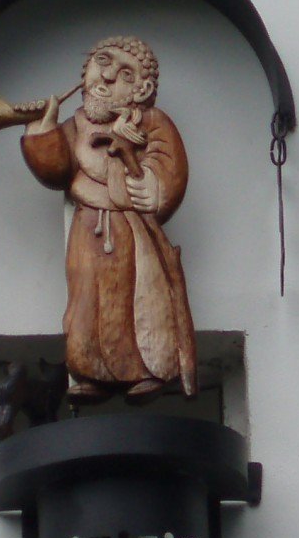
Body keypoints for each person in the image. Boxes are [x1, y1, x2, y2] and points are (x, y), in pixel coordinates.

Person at [19, 36, 198, 402]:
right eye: (102, 62)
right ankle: (91, 371)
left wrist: (147, 180)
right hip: (88, 227)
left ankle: (148, 370)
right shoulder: (76, 125)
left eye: (125, 73)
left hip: (133, 229)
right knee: (86, 300)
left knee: (139, 299)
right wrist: (43, 128)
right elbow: (56, 171)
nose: (108, 76)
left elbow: (168, 167)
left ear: (141, 89)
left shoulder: (150, 122)